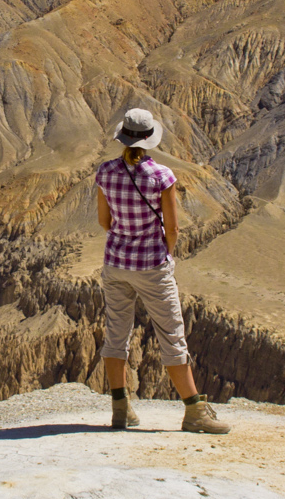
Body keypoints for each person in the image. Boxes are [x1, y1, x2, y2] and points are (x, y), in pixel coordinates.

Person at [94, 107, 230, 435]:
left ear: (123, 137)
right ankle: (195, 412)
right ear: (149, 139)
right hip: (152, 266)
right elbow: (173, 227)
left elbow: (104, 222)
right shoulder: (162, 176)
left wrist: (125, 236)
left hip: (115, 264)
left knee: (116, 335)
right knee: (172, 337)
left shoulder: (105, 172)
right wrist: (164, 256)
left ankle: (120, 409)